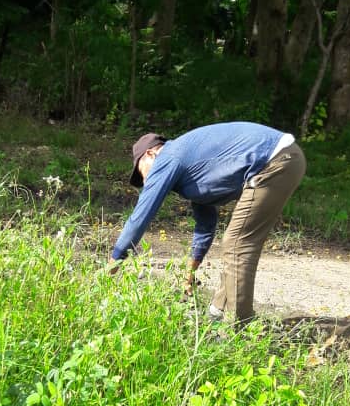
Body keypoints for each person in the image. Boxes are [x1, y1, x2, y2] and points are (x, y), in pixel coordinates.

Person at [107, 122, 306, 323]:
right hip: (284, 159)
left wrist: (113, 263)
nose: (145, 180)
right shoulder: (192, 168)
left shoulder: (168, 157)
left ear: (150, 154)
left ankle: (237, 330)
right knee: (236, 242)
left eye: (141, 171)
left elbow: (141, 216)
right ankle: (217, 312)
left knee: (237, 243)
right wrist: (190, 273)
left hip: (274, 161)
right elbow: (205, 224)